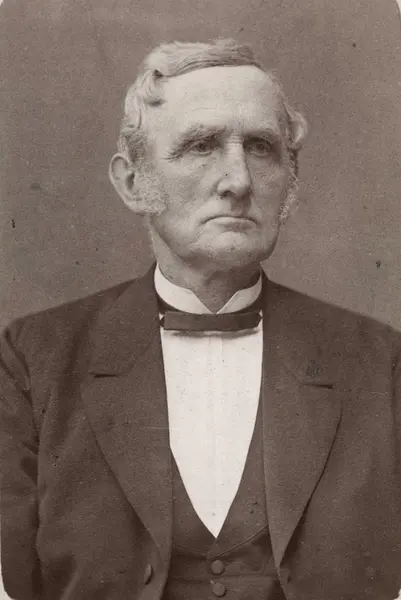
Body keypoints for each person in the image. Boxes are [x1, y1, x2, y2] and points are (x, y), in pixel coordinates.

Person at [1, 38, 401, 600]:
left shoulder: (380, 362)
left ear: (291, 181)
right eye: (201, 146)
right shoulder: (32, 359)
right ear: (132, 182)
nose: (238, 181)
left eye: (261, 148)